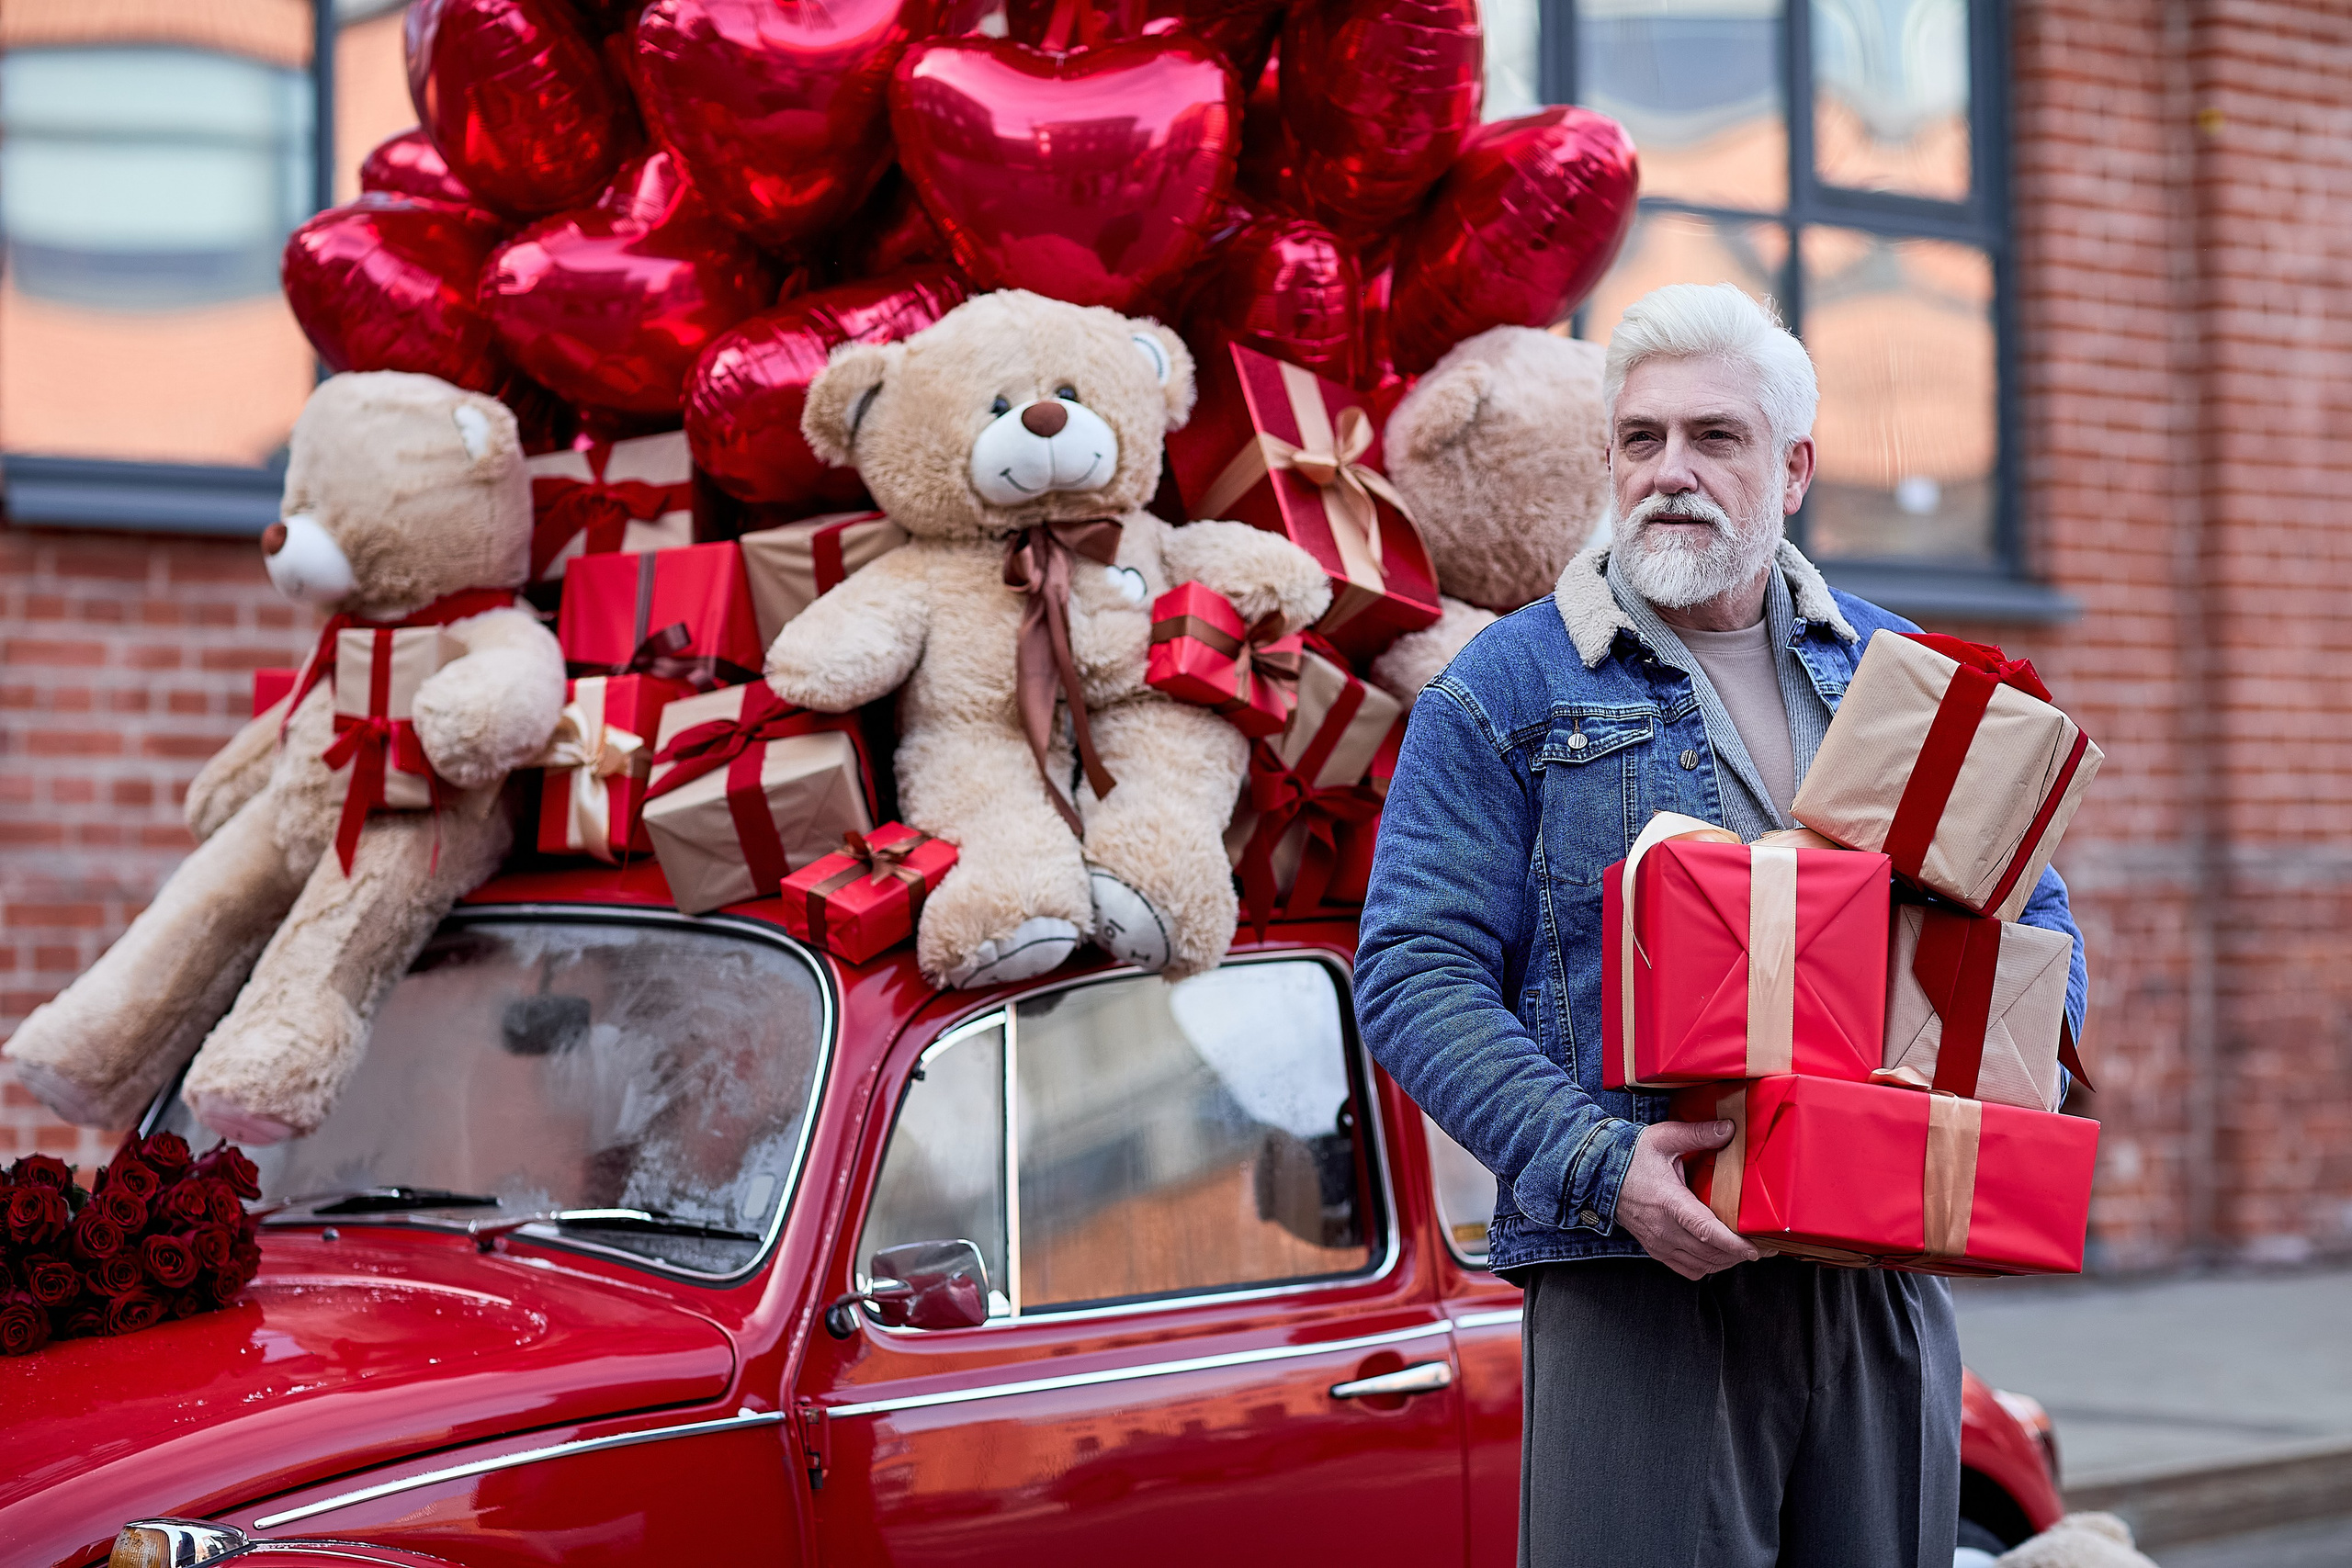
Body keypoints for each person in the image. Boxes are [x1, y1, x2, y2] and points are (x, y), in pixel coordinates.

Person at [1353, 283, 2087, 1567]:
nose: (1670, 472)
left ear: (1794, 466)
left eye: (1715, 438)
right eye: (1642, 440)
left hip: (1875, 1283)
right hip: (1639, 1278)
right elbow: (1413, 973)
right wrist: (1598, 1164)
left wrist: (1985, 1100)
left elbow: (2034, 916)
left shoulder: (1898, 672)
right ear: (1608, 461)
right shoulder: (1509, 689)